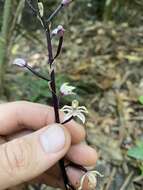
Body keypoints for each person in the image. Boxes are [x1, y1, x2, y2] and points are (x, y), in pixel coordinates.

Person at [0, 101, 97, 190]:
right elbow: (66, 110)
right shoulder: (68, 111)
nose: (74, 105)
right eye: (73, 105)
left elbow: (78, 112)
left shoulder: (76, 112)